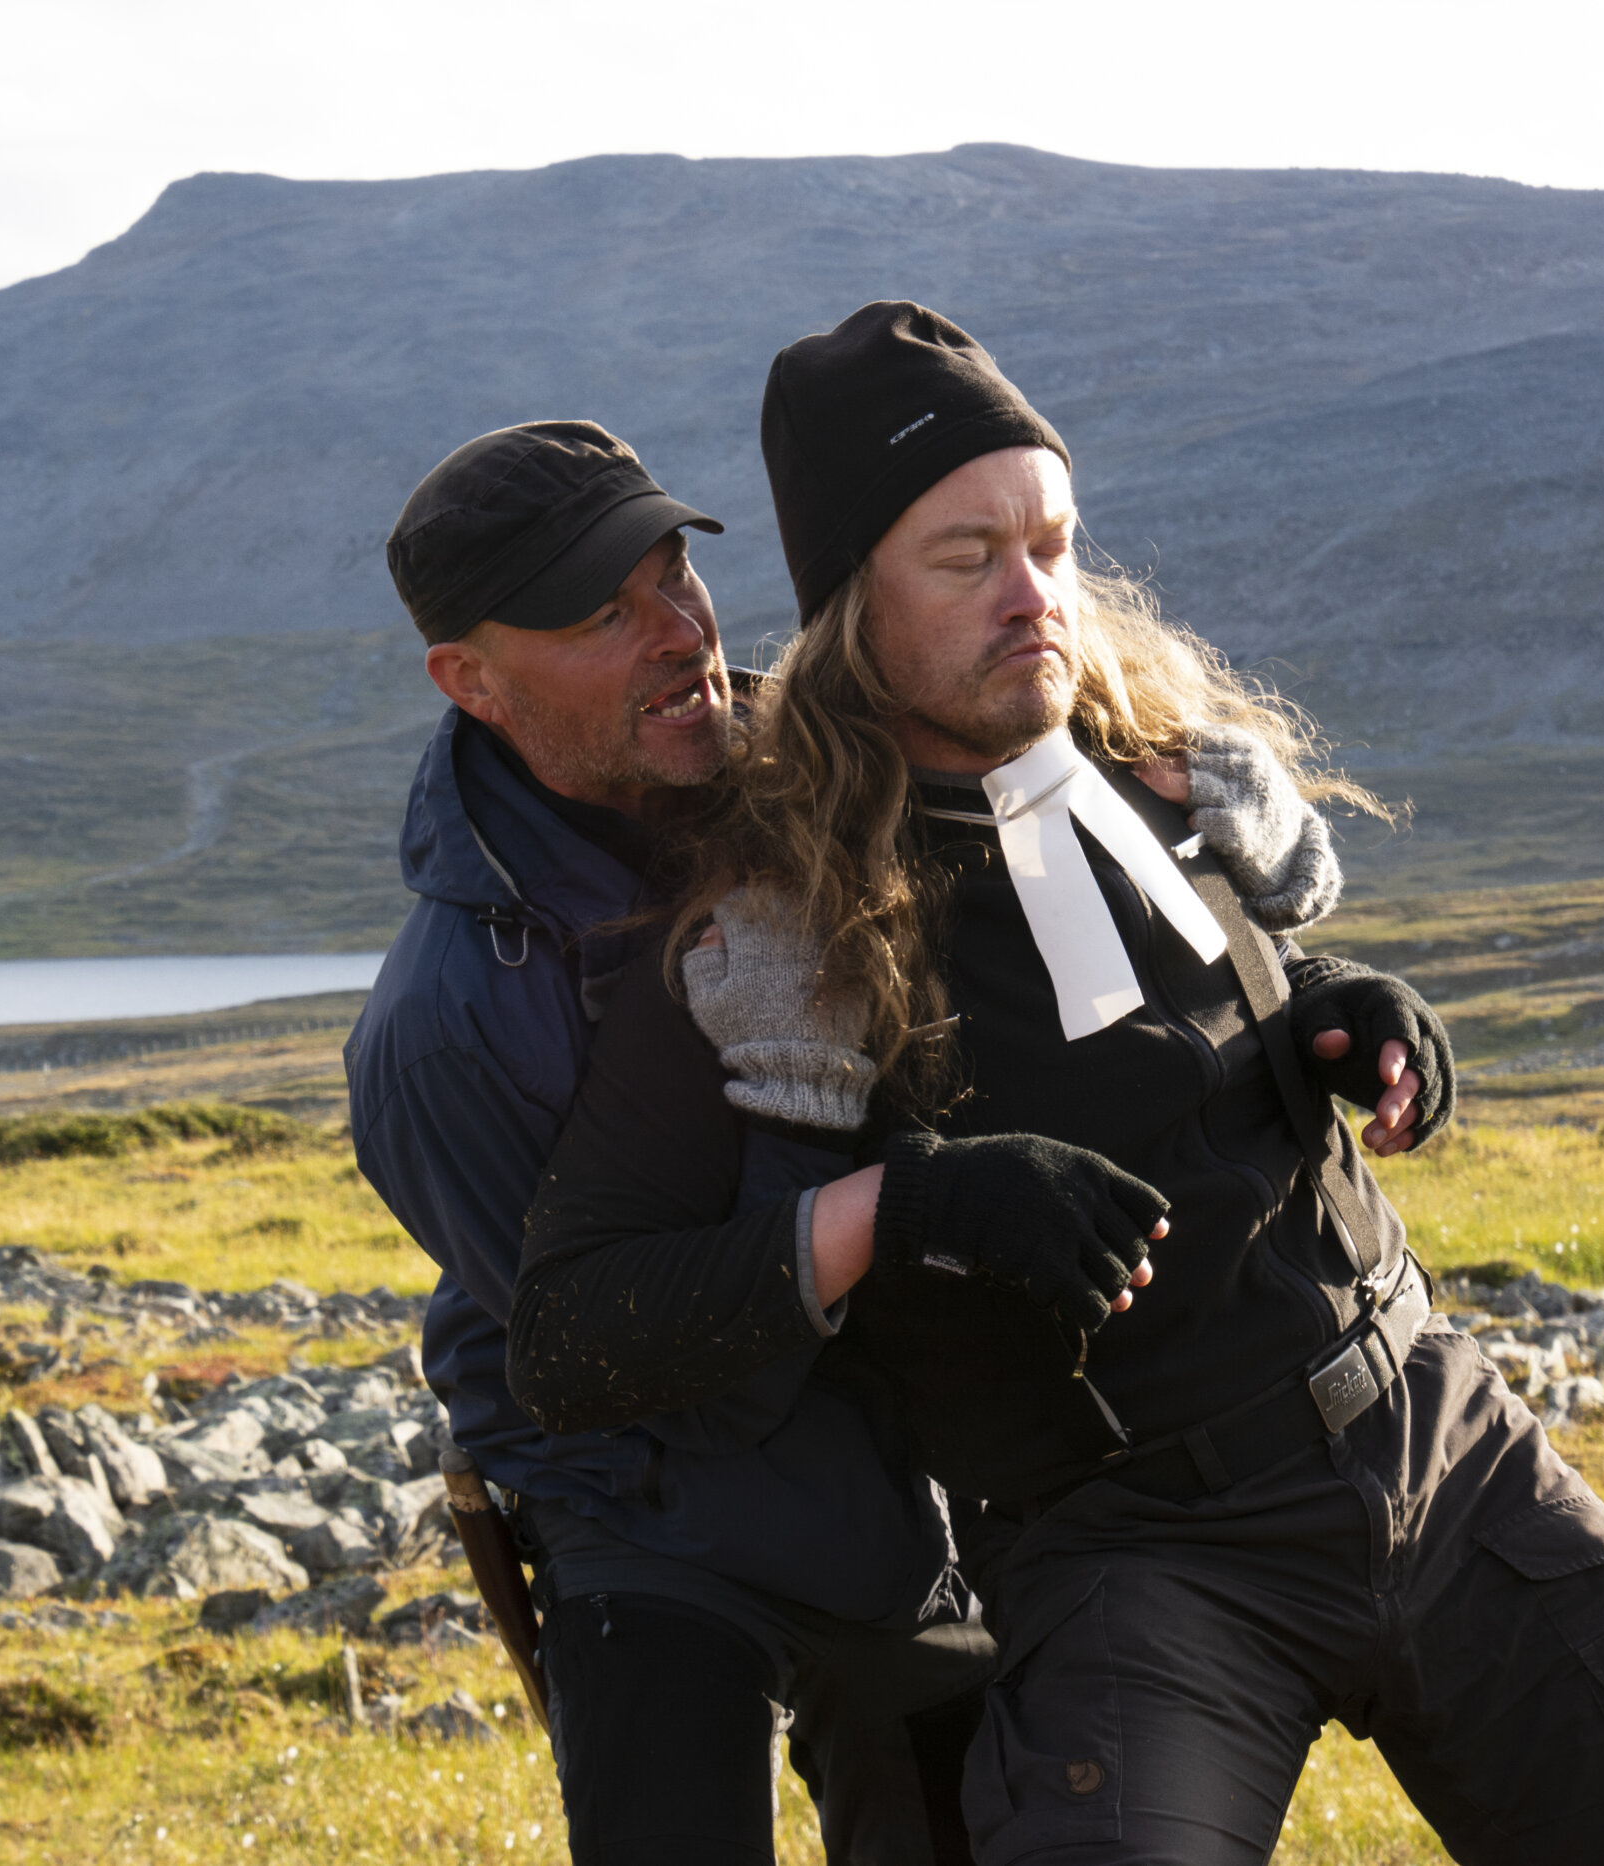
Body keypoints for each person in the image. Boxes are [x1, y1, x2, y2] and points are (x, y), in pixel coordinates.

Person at [509, 305, 1604, 1865]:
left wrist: (1335, 1010)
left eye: (1053, 544)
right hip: (1140, 1556)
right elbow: (569, 1333)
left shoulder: (1159, 772)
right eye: (966, 558)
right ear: (854, 604)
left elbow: (1160, 1033)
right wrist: (910, 1202)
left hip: (1439, 1443)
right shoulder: (781, 918)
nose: (1034, 596)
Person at [347, 418, 1344, 1866]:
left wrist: (1271, 919)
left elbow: (1054, 850)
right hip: (639, 1500)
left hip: (895, 1452)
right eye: (599, 615)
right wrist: (888, 1191)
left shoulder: (816, 770)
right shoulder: (446, 1030)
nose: (679, 634)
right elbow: (635, 1372)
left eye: (673, 573)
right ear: (470, 680)